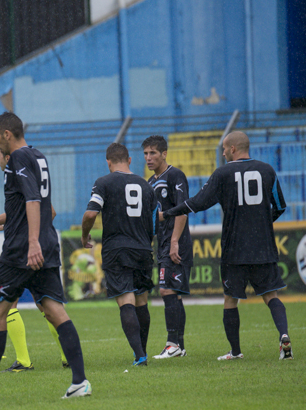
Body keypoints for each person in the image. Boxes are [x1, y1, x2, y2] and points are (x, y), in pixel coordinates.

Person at [0, 112, 90, 401]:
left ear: (7, 134)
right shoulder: (38, 156)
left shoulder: (17, 158)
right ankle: (80, 381)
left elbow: (32, 200)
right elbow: (35, 205)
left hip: (21, 250)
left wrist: (30, 243)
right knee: (55, 310)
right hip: (46, 243)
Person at [162, 131, 291, 361]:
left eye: (223, 149)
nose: (222, 153)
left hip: (235, 249)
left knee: (231, 299)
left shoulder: (223, 173)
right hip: (263, 247)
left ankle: (235, 351)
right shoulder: (267, 170)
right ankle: (284, 336)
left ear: (232, 149)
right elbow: (280, 206)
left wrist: (168, 213)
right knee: (271, 295)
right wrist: (261, 222)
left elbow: (197, 203)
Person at [0, 148, 69, 372]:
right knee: (48, 307)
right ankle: (68, 357)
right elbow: (37, 211)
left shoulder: (19, 169)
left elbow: (47, 211)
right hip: (39, 247)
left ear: (8, 157)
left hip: (24, 251)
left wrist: (28, 236)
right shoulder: (32, 167)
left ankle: (23, 361)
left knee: (5, 307)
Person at [81, 143, 156, 366]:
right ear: (130, 160)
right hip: (143, 248)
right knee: (141, 300)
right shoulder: (146, 186)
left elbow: (90, 213)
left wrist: (85, 237)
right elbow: (153, 222)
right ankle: (141, 352)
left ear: (108, 162)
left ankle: (140, 355)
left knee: (126, 300)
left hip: (117, 248)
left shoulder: (103, 183)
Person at [143, 135, 193, 359]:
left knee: (167, 290)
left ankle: (172, 343)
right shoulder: (151, 183)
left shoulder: (175, 175)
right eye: (145, 153)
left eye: (153, 153)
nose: (148, 157)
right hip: (162, 242)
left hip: (175, 241)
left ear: (164, 154)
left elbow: (182, 209)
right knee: (174, 293)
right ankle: (179, 346)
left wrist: (174, 242)